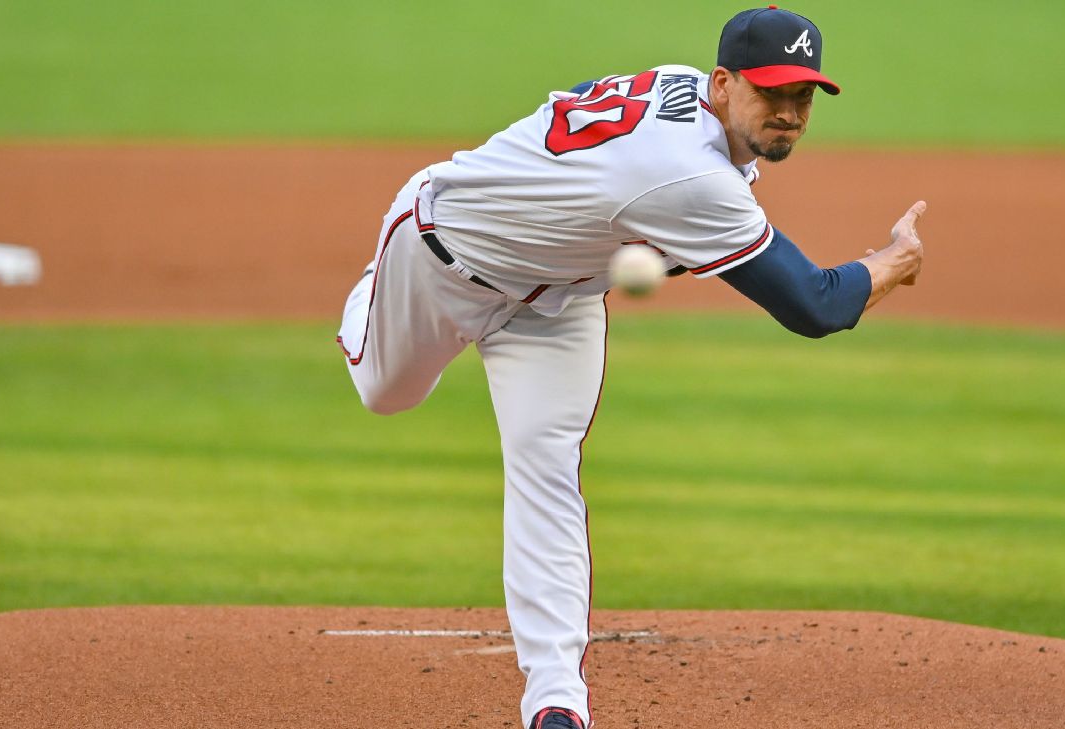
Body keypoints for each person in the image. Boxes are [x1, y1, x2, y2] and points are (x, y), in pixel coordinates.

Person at [336, 6, 926, 728]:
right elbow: (815, 306)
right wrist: (893, 261)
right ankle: (371, 291)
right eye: (772, 92)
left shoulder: (686, 108)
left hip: (558, 299)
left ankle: (556, 699)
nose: (789, 112)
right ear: (722, 84)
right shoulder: (687, 177)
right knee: (385, 393)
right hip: (437, 252)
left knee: (547, 468)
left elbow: (600, 131)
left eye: (803, 96)